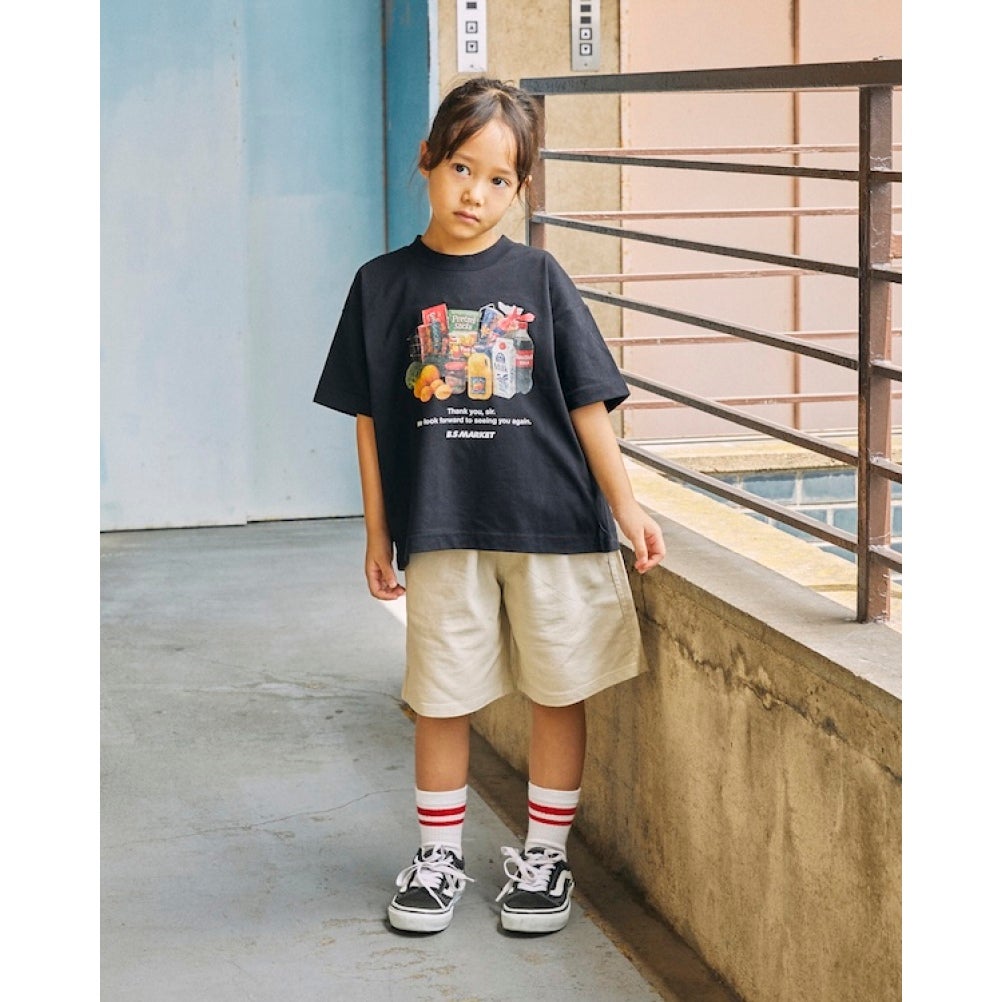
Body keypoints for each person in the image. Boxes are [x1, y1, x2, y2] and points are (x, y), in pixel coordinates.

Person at [314, 77, 665, 936]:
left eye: (499, 179)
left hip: (554, 523)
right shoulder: (381, 284)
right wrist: (378, 532)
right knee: (440, 695)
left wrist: (626, 506)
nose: (476, 192)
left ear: (521, 188)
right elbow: (369, 420)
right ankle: (438, 858)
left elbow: (587, 400)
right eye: (461, 168)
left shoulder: (539, 276)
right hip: (441, 527)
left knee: (558, 688)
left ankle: (546, 858)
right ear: (428, 162)